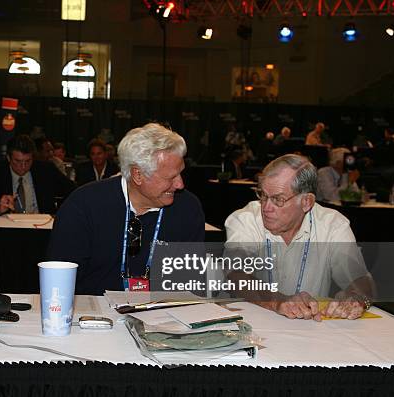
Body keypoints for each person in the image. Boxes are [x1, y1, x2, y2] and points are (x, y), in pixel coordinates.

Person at [47, 123, 205, 295]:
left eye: (180, 172)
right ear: (138, 175)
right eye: (171, 177)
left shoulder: (188, 208)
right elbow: (59, 280)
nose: (180, 184)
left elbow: (189, 283)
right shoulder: (83, 206)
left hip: (162, 314)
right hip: (93, 313)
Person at [224, 154, 374, 320]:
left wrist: (355, 299)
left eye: (278, 199)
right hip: (251, 326)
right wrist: (278, 301)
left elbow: (361, 280)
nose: (266, 207)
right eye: (263, 195)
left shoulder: (333, 225)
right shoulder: (245, 219)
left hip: (311, 332)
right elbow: (236, 276)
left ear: (307, 202)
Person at [0, 134, 75, 215]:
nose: (23, 166)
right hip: (7, 228)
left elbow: (72, 190)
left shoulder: (46, 170)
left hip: (41, 227)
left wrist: (61, 213)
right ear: (8, 158)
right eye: (18, 161)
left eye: (28, 161)